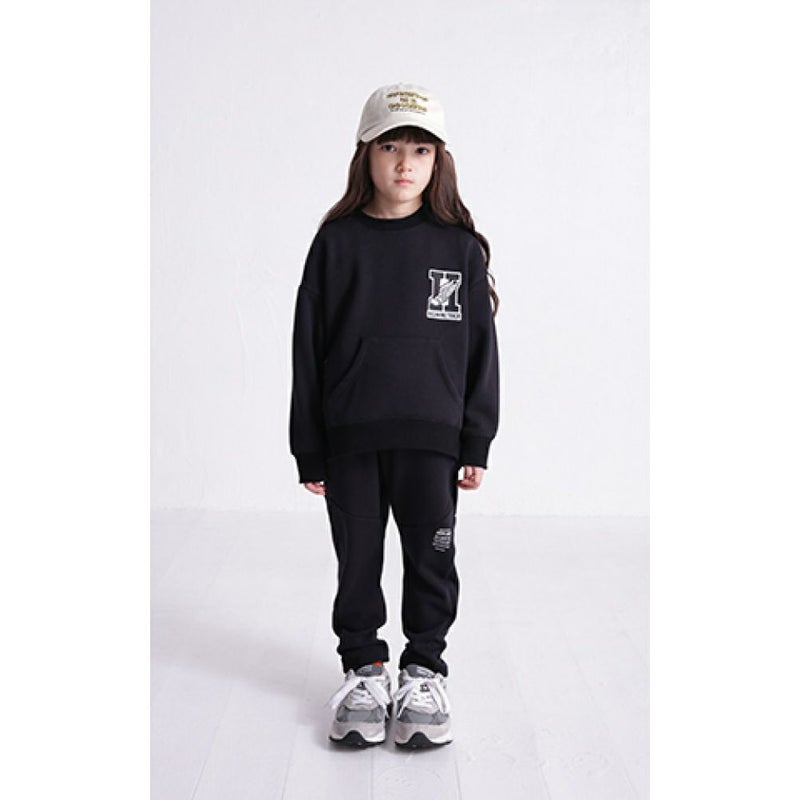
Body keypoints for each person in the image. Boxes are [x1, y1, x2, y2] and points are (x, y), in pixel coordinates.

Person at [289, 82, 500, 749]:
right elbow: (307, 350)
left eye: (420, 150)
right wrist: (309, 446)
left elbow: (481, 352)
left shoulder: (459, 248)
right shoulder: (337, 243)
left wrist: (475, 439)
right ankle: (364, 671)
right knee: (358, 560)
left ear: (439, 160)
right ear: (366, 154)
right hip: (350, 438)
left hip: (433, 441)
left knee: (432, 558)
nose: (405, 164)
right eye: (390, 148)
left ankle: (424, 671)